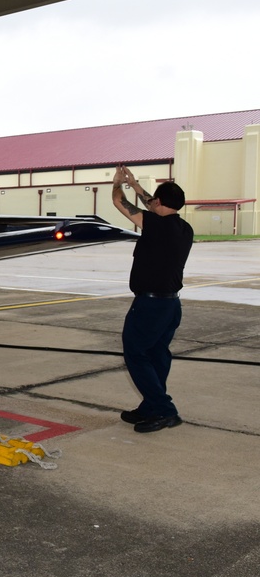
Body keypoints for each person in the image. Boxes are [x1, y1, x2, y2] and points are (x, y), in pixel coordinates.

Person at [111, 164, 194, 433]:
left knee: (136, 354)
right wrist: (135, 184)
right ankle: (150, 405)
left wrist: (118, 183)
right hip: (171, 304)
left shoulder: (154, 224)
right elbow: (153, 203)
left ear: (158, 202)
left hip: (150, 305)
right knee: (158, 354)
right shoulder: (184, 228)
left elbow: (118, 202)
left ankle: (164, 410)